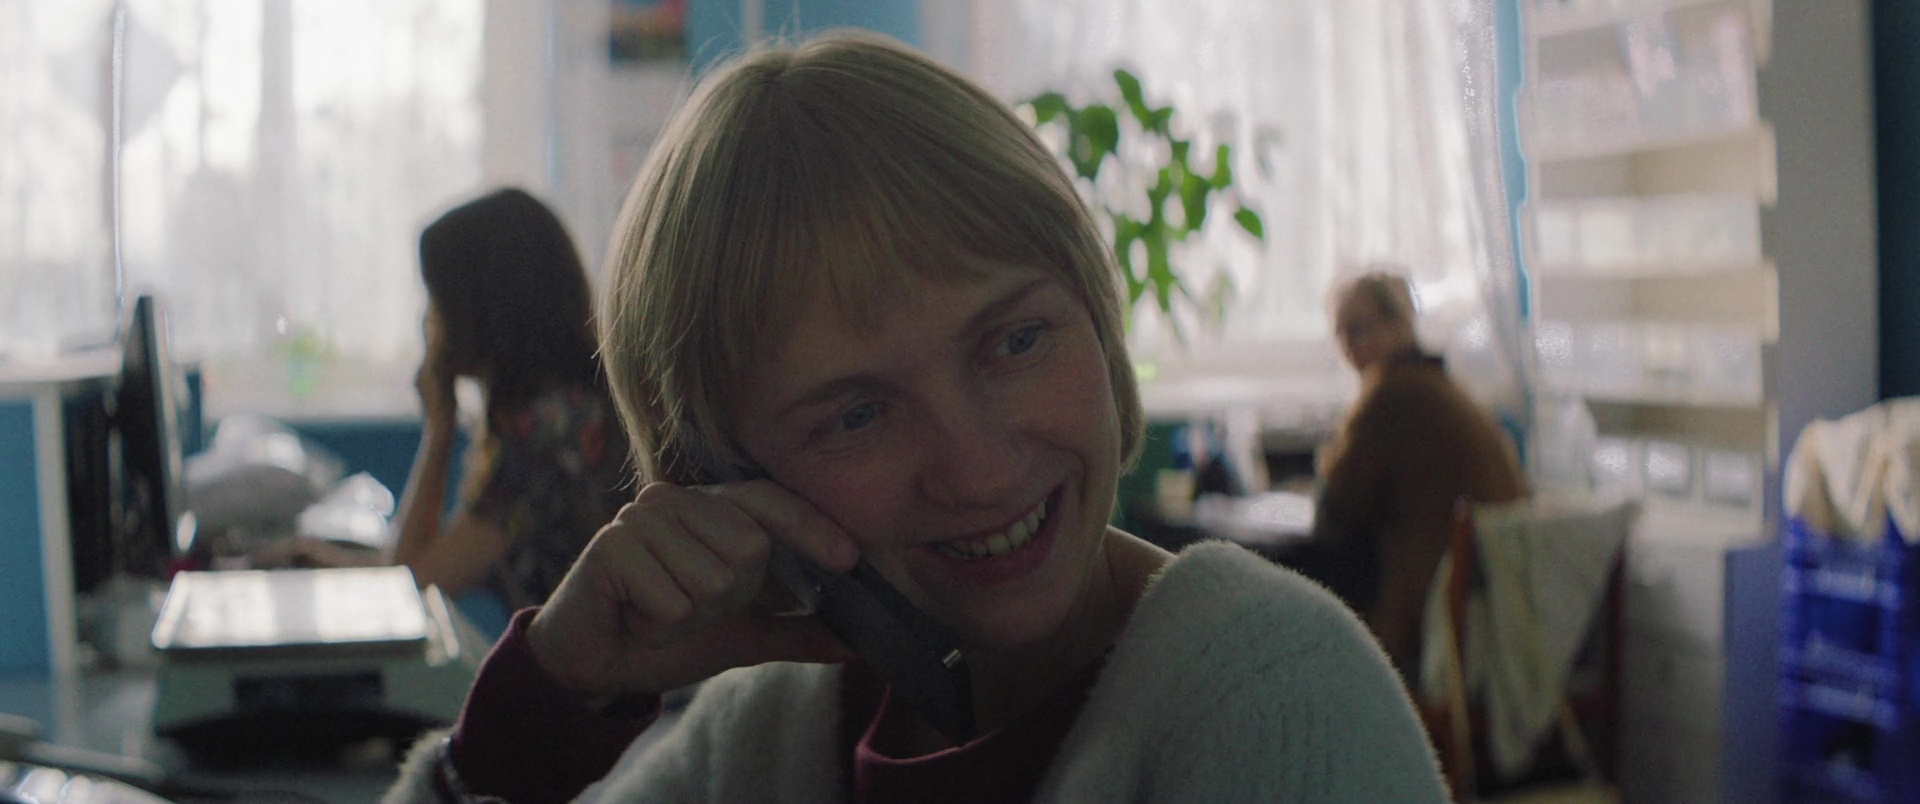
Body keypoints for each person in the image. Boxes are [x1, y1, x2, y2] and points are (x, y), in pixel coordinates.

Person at [384, 33, 1447, 804]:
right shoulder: (773, 735)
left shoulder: (1275, 700)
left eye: (1015, 341)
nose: (976, 468)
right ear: (720, 483)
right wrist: (539, 712)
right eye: (856, 414)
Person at [387, 187, 631, 613]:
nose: (428, 319)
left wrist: (440, 426)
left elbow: (410, 588)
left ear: (483, 306)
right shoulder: (570, 408)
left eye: (438, 298)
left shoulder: (545, 436)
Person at [1308, 270, 1529, 684]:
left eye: (1359, 329)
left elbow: (1340, 499)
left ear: (1398, 324)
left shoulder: (1393, 394)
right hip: (1492, 609)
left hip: (1432, 617)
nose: (1349, 346)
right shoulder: (1437, 384)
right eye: (1340, 333)